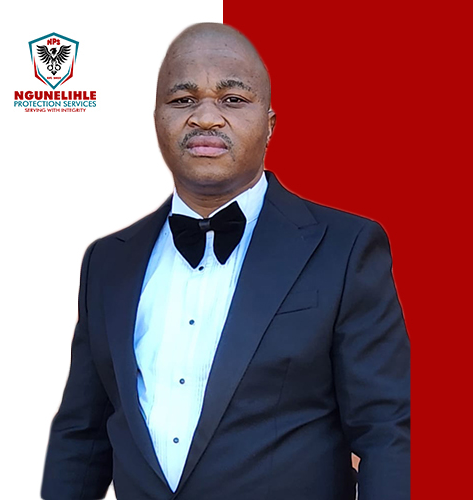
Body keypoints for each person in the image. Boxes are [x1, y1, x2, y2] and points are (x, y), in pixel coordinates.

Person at [41, 22, 410, 500]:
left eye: (232, 99)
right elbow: (82, 435)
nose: (206, 117)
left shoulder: (346, 248)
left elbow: (383, 431)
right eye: (183, 99)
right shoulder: (107, 262)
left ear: (270, 124)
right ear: (157, 119)